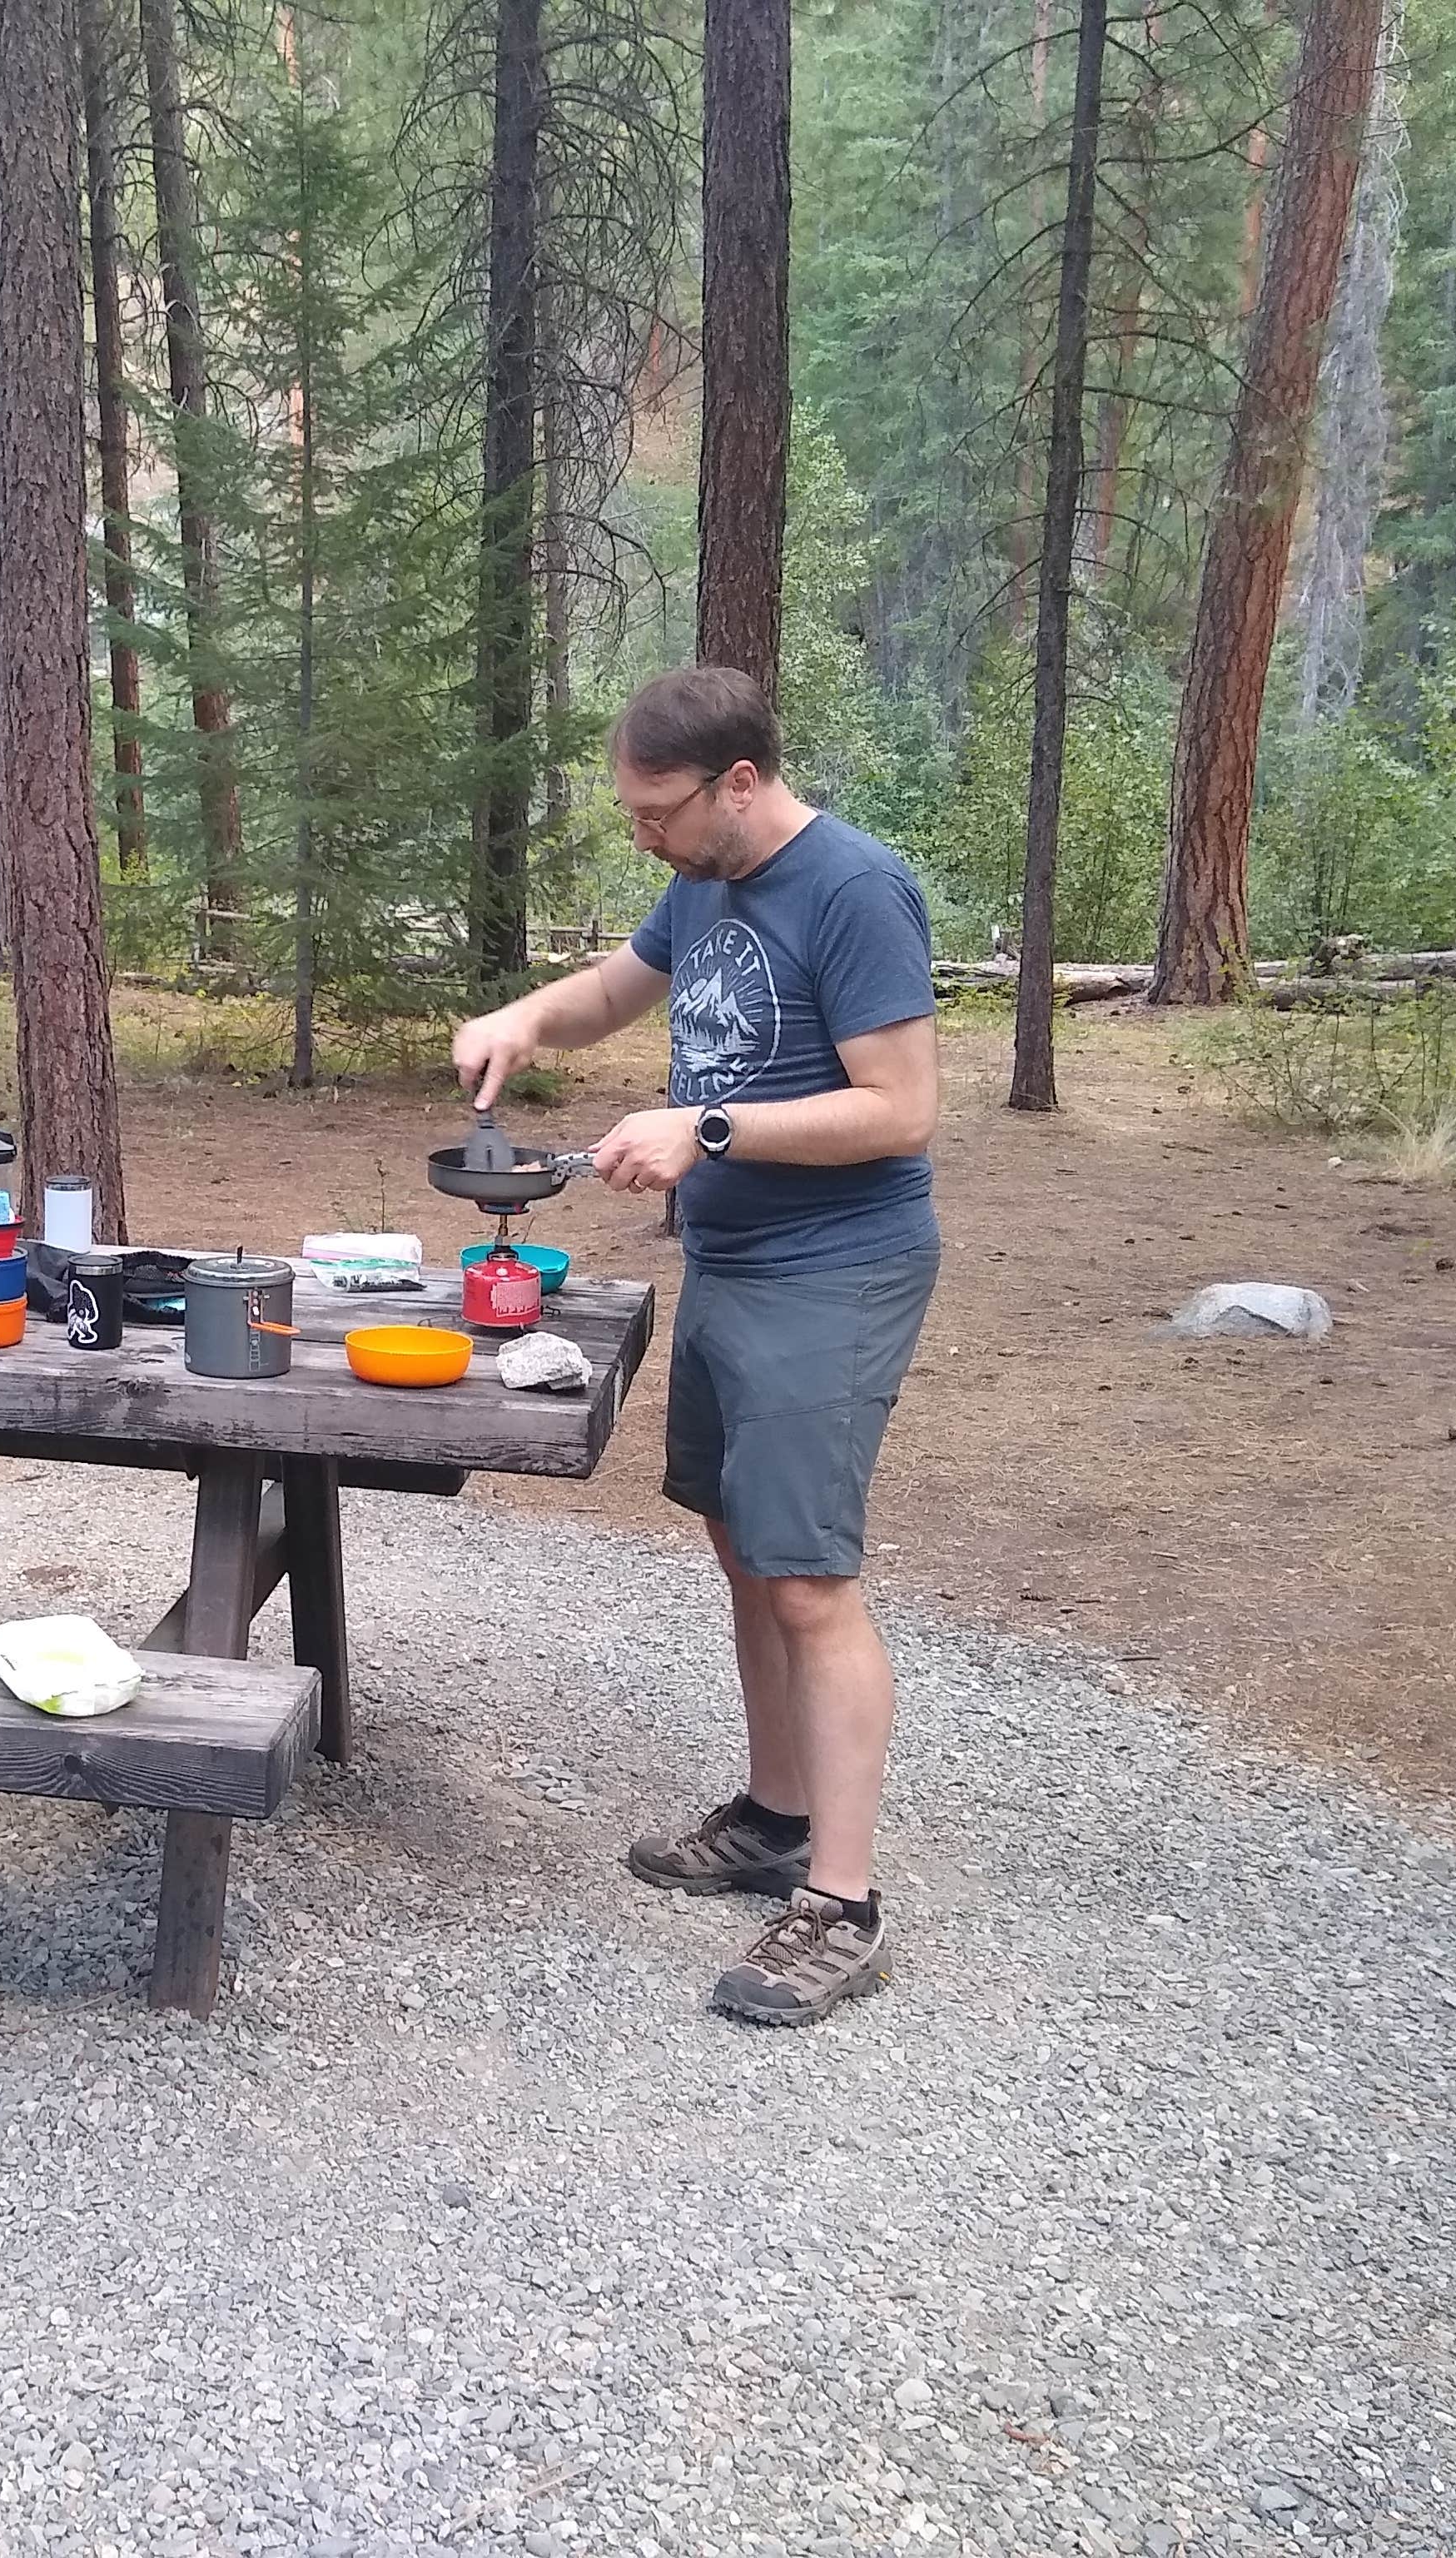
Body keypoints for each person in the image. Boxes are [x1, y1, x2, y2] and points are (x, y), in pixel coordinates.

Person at [451, 664, 941, 2028]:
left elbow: (900, 1110)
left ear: (739, 781)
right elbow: (618, 988)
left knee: (810, 1582)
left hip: (834, 1272)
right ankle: (776, 1820)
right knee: (743, 1549)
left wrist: (705, 1128)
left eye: (656, 811)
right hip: (734, 1260)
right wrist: (526, 1019)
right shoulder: (706, 883)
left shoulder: (853, 891)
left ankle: (840, 1905)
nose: (643, 836)